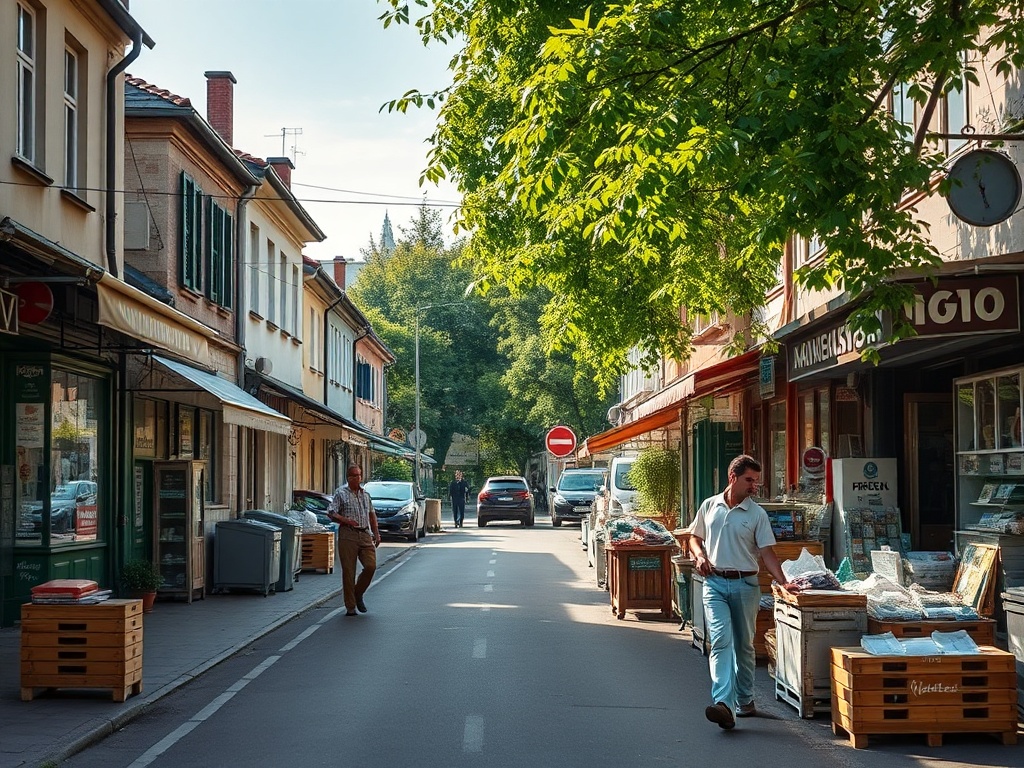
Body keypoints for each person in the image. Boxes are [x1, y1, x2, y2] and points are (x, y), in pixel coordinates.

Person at [688, 454, 795, 730]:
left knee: (744, 646)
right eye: (750, 480)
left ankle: (745, 699)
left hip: (746, 585)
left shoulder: (757, 514)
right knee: (721, 641)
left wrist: (783, 581)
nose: (754, 486)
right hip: (714, 584)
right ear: (732, 477)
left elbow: (766, 553)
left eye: (757, 481)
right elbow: (694, 538)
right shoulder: (709, 505)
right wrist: (699, 555)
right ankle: (724, 703)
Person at [328, 465, 380, 616]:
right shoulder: (341, 493)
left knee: (371, 566)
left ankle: (357, 594)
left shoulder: (365, 494)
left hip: (364, 534)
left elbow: (372, 515)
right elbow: (331, 512)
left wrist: (376, 533)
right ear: (348, 478)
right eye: (354, 476)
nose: (358, 478)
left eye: (359, 475)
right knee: (349, 571)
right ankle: (350, 606)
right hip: (348, 535)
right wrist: (345, 520)